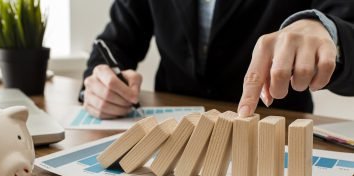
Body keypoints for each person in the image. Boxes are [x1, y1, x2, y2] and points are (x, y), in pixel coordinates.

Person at [80, 0, 354, 119]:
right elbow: (115, 42)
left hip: (277, 129)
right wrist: (100, 79)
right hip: (175, 133)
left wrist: (326, 30)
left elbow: (345, 25)